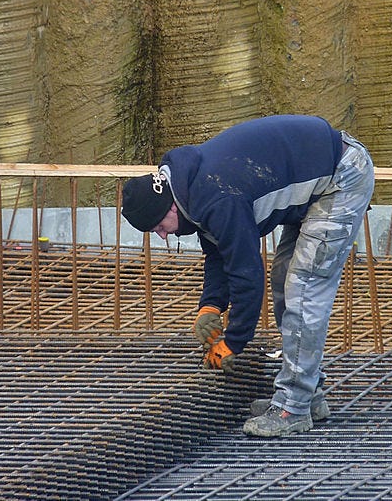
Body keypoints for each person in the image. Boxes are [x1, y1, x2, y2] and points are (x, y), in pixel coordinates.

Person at [120, 114, 374, 437]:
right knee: (286, 280)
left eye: (158, 228)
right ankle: (307, 395)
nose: (162, 237)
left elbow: (247, 274)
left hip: (342, 177)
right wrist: (210, 306)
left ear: (169, 209)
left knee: (303, 289)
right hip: (319, 179)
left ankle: (292, 408)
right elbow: (218, 248)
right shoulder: (189, 185)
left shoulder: (214, 195)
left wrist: (234, 341)